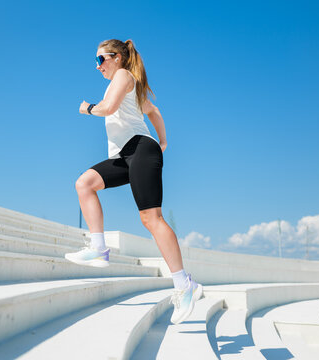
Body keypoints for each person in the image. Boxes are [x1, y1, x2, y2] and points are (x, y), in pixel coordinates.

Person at [64, 39, 202, 324]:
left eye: (101, 59)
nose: (98, 65)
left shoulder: (124, 76)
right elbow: (153, 111)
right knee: (84, 184)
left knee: (151, 218)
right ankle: (99, 248)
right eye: (97, 60)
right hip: (126, 155)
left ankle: (184, 284)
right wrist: (163, 140)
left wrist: (87, 108)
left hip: (139, 149)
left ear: (117, 58)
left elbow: (108, 107)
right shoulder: (130, 86)